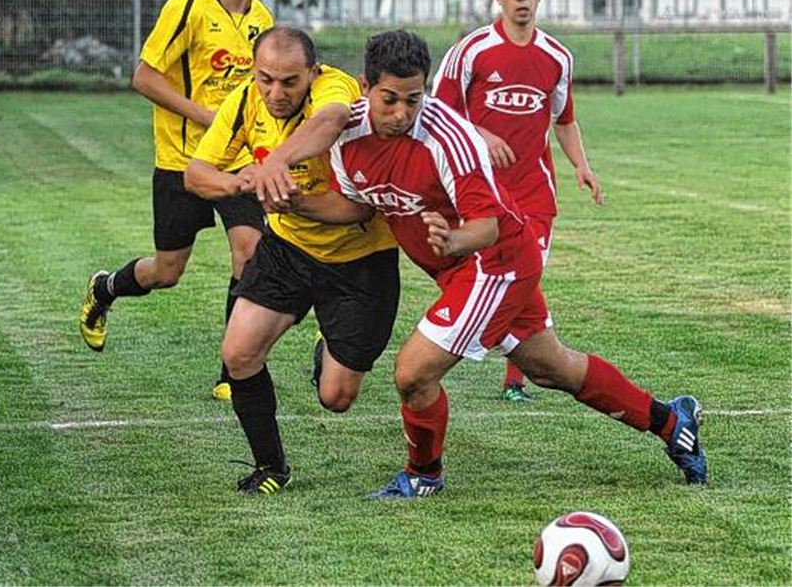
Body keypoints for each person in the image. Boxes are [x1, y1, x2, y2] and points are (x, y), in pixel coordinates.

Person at [282, 30, 706, 499]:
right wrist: (293, 204)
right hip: (466, 270)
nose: (402, 113)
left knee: (413, 372)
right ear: (365, 86)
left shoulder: (449, 138)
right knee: (552, 368)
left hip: (493, 262)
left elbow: (484, 227)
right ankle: (671, 420)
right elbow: (358, 207)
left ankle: (423, 475)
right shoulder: (347, 137)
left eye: (413, 99)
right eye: (389, 99)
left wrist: (452, 238)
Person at [184, 26, 398, 494]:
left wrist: (277, 170)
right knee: (238, 354)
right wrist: (241, 183)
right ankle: (271, 467)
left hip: (361, 258)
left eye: (289, 82)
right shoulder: (244, 101)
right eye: (265, 80)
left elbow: (355, 198)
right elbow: (196, 174)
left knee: (336, 398)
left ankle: (328, 347)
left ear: (312, 74)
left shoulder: (334, 89)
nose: (275, 93)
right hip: (288, 251)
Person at [80, 0, 272, 401]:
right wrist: (206, 116)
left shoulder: (262, 20)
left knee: (249, 255)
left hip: (238, 163)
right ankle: (105, 289)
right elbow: (143, 77)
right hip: (181, 161)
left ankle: (232, 371)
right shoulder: (186, 9)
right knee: (167, 272)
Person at [432, 0, 602, 403]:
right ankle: (461, 342)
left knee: (525, 279)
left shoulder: (557, 57)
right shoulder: (471, 51)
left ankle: (514, 379)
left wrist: (581, 166)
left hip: (534, 194)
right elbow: (437, 112)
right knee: (483, 276)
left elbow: (564, 120)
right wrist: (481, 133)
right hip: (481, 195)